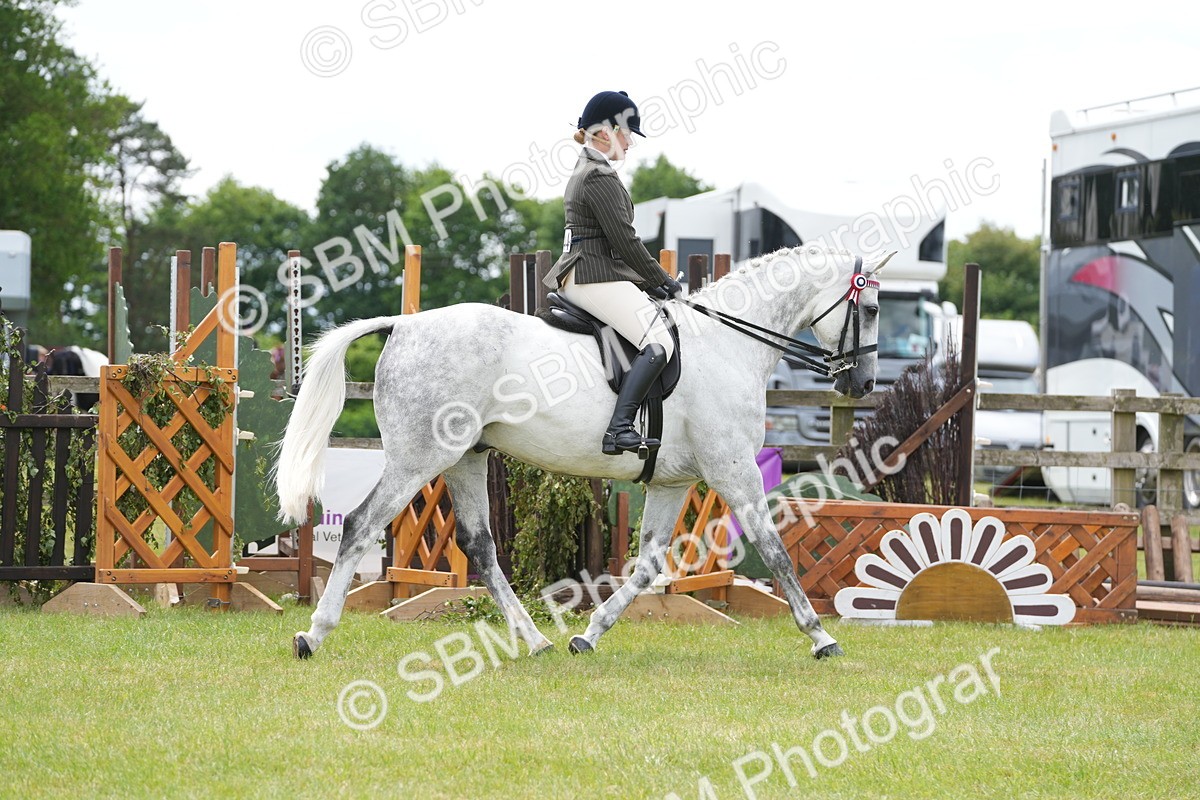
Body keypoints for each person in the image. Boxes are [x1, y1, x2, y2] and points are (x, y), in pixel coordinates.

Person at [543, 90, 683, 456]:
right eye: (627, 133)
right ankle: (618, 429)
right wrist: (662, 281)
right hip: (592, 275)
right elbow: (625, 240)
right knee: (659, 343)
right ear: (605, 132)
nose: (631, 143)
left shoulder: (588, 169)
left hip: (590, 271)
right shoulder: (598, 175)